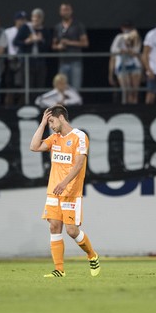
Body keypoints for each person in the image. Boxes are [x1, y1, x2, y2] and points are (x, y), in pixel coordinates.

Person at [29, 105, 100, 278]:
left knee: (72, 231)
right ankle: (59, 270)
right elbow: (33, 146)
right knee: (54, 226)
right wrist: (42, 124)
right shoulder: (54, 138)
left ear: (61, 118)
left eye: (52, 121)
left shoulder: (79, 137)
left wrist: (64, 182)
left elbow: (79, 163)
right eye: (49, 123)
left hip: (70, 191)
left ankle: (92, 255)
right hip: (54, 191)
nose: (51, 126)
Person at [15, 8, 52, 98]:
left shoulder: (45, 31)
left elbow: (48, 46)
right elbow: (16, 42)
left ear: (42, 19)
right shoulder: (25, 28)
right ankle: (28, 105)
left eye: (38, 17)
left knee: (40, 85)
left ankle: (39, 105)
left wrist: (41, 40)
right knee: (28, 86)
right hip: (27, 62)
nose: (36, 19)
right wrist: (27, 41)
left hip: (40, 62)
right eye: (34, 17)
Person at [52, 3, 89, 89]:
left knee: (75, 89)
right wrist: (58, 47)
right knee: (62, 89)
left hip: (75, 61)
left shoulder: (78, 25)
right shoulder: (57, 27)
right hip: (63, 62)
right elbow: (53, 45)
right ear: (60, 12)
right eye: (63, 10)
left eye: (67, 10)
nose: (65, 12)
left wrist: (69, 42)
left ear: (71, 11)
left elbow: (85, 43)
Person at [108, 21, 142, 104]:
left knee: (134, 91)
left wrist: (130, 50)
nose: (127, 30)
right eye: (125, 28)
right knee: (126, 91)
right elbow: (113, 52)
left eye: (129, 28)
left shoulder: (136, 37)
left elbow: (137, 52)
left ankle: (134, 109)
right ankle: (126, 110)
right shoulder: (119, 37)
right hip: (122, 66)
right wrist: (110, 74)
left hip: (134, 65)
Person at [4, 11, 28, 106]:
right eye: (20, 20)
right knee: (9, 85)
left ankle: (20, 106)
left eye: (24, 20)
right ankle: (8, 106)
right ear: (16, 20)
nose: (22, 22)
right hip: (10, 60)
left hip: (22, 60)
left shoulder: (28, 32)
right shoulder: (8, 31)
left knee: (21, 86)